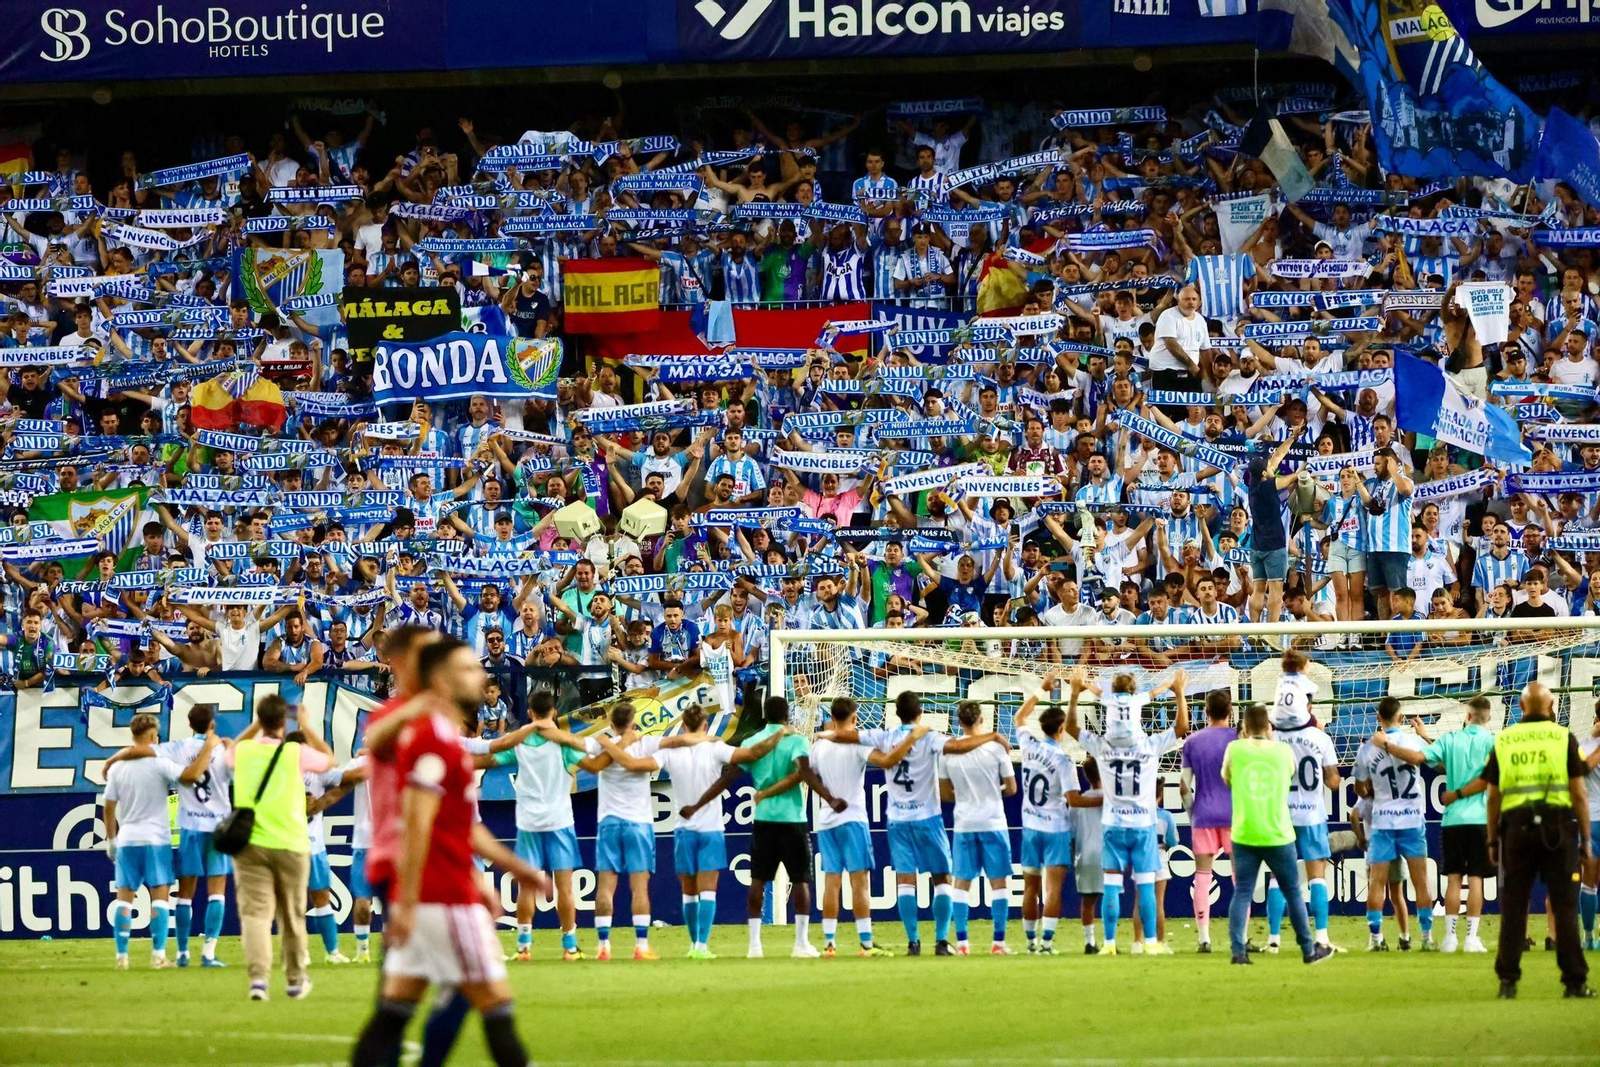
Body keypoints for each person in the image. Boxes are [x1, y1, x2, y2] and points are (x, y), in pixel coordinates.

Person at [349, 637, 551, 1067]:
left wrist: (512, 868)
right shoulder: (426, 733)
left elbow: (458, 821)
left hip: (432, 879)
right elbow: (420, 818)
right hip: (434, 883)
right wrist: (407, 896)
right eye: (468, 669)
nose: (481, 676)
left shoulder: (445, 734)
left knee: (396, 1004)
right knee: (492, 1001)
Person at [822, 690, 1005, 955]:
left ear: (897, 714)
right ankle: (942, 941)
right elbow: (957, 746)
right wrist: (994, 736)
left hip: (898, 819)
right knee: (942, 877)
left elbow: (844, 735)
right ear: (920, 713)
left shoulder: (884, 736)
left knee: (905, 881)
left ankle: (913, 942)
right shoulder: (928, 737)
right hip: (927, 817)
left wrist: (824, 735)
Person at [1456, 681, 1592, 998]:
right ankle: (1574, 982)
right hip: (1558, 829)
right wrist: (1586, 839)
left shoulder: (1505, 739)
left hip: (1516, 831)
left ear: (1520, 708)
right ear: (1551, 708)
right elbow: (1579, 794)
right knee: (1564, 907)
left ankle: (1508, 982)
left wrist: (1492, 839)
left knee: (1514, 908)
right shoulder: (1563, 738)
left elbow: (1493, 796)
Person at [624, 702, 790, 958]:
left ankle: (693, 945)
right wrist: (779, 732)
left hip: (682, 829)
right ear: (704, 724)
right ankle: (701, 945)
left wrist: (614, 746)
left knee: (689, 892)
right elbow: (753, 753)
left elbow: (637, 766)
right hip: (711, 828)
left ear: (683, 725)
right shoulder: (715, 748)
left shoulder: (671, 752)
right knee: (708, 889)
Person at [1066, 667, 1189, 956]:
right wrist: (1179, 693)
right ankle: (1149, 942)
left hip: (1113, 823)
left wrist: (1074, 695)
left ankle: (1109, 943)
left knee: (1111, 883)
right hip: (1143, 823)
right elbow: (1181, 729)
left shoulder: (1103, 746)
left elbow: (1072, 729)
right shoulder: (1148, 745)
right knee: (1145, 883)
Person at [102, 703, 232, 968]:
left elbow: (138, 754)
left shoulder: (175, 749)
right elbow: (192, 775)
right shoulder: (222, 751)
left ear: (189, 724)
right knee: (213, 892)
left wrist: (112, 759)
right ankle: (203, 953)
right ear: (212, 725)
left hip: (183, 828)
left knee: (181, 894)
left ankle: (175, 953)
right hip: (214, 828)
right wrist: (216, 745)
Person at [796, 696, 923, 957]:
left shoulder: (820, 746)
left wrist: (829, 798)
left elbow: (804, 771)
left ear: (831, 717)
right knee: (860, 882)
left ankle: (829, 944)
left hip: (827, 820)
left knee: (831, 882)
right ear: (854, 718)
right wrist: (911, 740)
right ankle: (865, 943)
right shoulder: (857, 744)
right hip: (853, 818)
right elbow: (887, 761)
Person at [228, 693, 335, 1000]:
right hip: (290, 842)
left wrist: (255, 725)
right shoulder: (295, 753)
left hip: (251, 845)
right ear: (283, 722)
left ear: (261, 721)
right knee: (291, 915)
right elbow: (328, 759)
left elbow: (231, 751)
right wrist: (306, 725)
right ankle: (294, 979)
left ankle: (259, 981)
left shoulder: (246, 751)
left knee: (255, 916)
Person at [1221, 703, 1335, 967]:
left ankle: (1239, 952)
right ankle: (1308, 950)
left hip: (1245, 831)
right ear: (1269, 727)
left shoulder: (1235, 750)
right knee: (1293, 891)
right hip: (1278, 832)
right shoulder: (1283, 752)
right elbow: (1291, 773)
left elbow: (1226, 778)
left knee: (1242, 893)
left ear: (1245, 728)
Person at [1387, 696, 1497, 953]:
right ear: (1488, 718)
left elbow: (1418, 758)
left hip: (1453, 820)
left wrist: (1389, 745)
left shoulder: (1450, 740)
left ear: (1467, 716)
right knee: (1477, 879)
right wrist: (1425, 735)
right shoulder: (1494, 744)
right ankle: (1471, 938)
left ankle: (1449, 938)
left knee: (1454, 879)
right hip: (1481, 818)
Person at [1266, 656, 1341, 954]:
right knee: (1316, 875)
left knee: (1277, 877)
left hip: (1281, 813)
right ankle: (1321, 936)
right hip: (1311, 813)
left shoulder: (1273, 739)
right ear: (1307, 706)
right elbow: (1334, 782)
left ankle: (1273, 939)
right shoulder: (1319, 737)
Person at [1355, 697, 1437, 951]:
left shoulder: (1367, 748)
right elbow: (1429, 758)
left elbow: (1359, 787)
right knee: (1420, 881)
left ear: (1378, 718)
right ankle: (1426, 938)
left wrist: (1376, 794)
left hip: (1383, 820)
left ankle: (1375, 939)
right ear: (1401, 719)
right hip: (1412, 819)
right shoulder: (1412, 742)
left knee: (1377, 881)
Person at [939, 700, 1018, 955]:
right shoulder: (996, 749)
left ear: (959, 722)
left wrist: (964, 795)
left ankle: (962, 944)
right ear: (981, 719)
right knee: (999, 883)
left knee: (961, 883)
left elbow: (945, 794)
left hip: (964, 822)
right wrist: (995, 790)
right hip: (993, 821)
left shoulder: (949, 751)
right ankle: (998, 942)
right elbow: (1012, 788)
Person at [1015, 670, 1076, 954]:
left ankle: (1029, 943)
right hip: (1055, 830)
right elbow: (1072, 798)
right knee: (1052, 889)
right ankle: (1047, 943)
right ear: (1061, 730)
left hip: (1030, 827)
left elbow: (1019, 718)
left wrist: (1041, 689)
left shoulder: (1028, 746)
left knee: (1030, 888)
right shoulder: (1063, 760)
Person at [1180, 690, 1235, 952]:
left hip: (1203, 815)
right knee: (1241, 878)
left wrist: (1193, 814)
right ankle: (1241, 936)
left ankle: (1204, 938)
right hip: (1235, 817)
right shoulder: (1238, 740)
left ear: (1205, 711)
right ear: (1231, 711)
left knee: (1202, 875)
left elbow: (1183, 787)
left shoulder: (1193, 741)